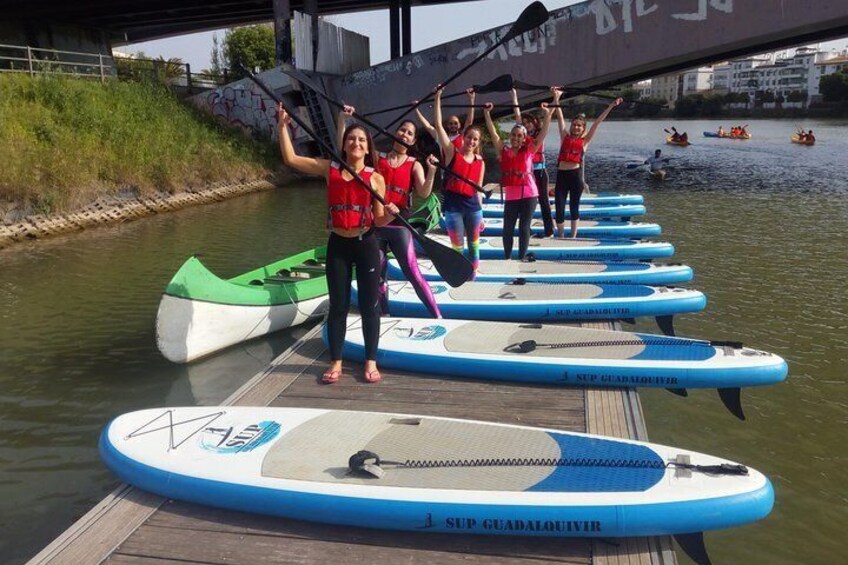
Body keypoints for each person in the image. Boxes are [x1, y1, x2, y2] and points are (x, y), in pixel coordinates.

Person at [277, 102, 394, 385]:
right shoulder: (328, 169)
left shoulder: (376, 179)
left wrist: (388, 214)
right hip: (338, 246)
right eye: (351, 139)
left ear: (368, 148)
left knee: (369, 306)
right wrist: (282, 126)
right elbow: (291, 159)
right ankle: (336, 362)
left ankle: (370, 361)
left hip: (366, 244)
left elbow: (378, 221)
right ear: (344, 145)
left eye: (362, 140)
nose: (356, 143)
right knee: (339, 305)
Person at [484, 94, 555, 259]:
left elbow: (543, 133)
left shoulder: (530, 150)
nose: (515, 138)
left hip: (529, 194)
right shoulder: (504, 150)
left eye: (519, 136)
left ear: (524, 139)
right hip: (512, 195)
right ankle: (507, 257)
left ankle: (521, 257)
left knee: (524, 227)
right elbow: (493, 133)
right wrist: (487, 114)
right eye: (513, 135)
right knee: (507, 228)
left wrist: (546, 114)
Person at [434, 85, 486, 277]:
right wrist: (438, 97)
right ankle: (459, 275)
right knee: (458, 247)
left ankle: (472, 276)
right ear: (463, 138)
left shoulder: (480, 162)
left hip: (473, 208)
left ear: (478, 143)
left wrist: (482, 214)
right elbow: (439, 125)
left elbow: (479, 191)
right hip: (453, 207)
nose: (471, 142)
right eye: (469, 138)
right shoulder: (451, 153)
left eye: (475, 140)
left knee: (474, 245)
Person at [554, 96, 623, 238]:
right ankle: (560, 235)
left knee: (574, 208)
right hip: (562, 176)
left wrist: (610, 106)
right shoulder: (564, 137)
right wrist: (556, 98)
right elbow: (560, 117)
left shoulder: (584, 141)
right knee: (559, 208)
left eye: (579, 125)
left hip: (575, 177)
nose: (576, 127)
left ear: (583, 128)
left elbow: (597, 123)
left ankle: (573, 236)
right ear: (571, 126)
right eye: (574, 125)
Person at [511, 88, 553, 237]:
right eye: (525, 123)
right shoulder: (522, 137)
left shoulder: (539, 135)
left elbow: (547, 122)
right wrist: (514, 96)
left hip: (539, 172)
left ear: (535, 124)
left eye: (529, 122)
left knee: (543, 201)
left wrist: (554, 101)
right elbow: (517, 116)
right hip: (526, 175)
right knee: (526, 203)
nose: (527, 125)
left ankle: (549, 231)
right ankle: (526, 231)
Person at [414, 88, 476, 160]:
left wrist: (471, 99)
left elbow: (469, 121)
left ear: (459, 125)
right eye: (451, 124)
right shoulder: (441, 138)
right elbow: (428, 126)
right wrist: (416, 110)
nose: (453, 125)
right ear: (447, 126)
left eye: (455, 123)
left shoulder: (463, 136)